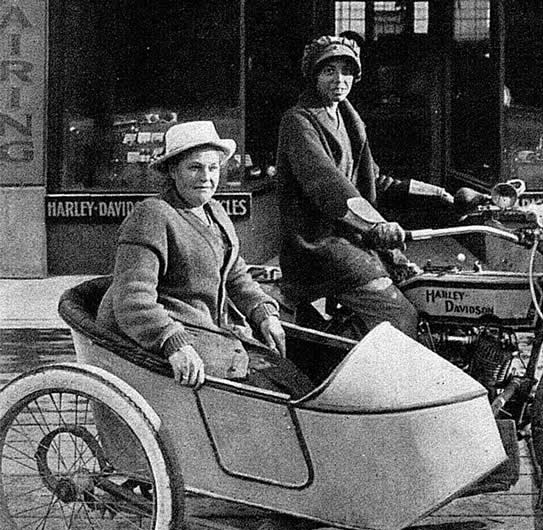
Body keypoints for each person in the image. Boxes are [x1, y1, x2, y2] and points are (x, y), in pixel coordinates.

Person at [98, 120, 312, 395]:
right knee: (268, 391)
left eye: (213, 168)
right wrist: (172, 342)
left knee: (292, 377)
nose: (206, 177)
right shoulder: (153, 215)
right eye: (195, 167)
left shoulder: (216, 213)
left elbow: (235, 275)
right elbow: (131, 299)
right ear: (172, 171)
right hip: (178, 333)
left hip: (212, 330)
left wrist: (263, 313)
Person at [275, 35, 455, 340]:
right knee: (398, 314)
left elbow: (375, 180)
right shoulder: (298, 121)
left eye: (346, 71)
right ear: (313, 75)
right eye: (328, 71)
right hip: (318, 245)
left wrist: (434, 193)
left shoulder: (347, 118)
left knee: (423, 290)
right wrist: (376, 226)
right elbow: (328, 186)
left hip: (351, 241)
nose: (339, 79)